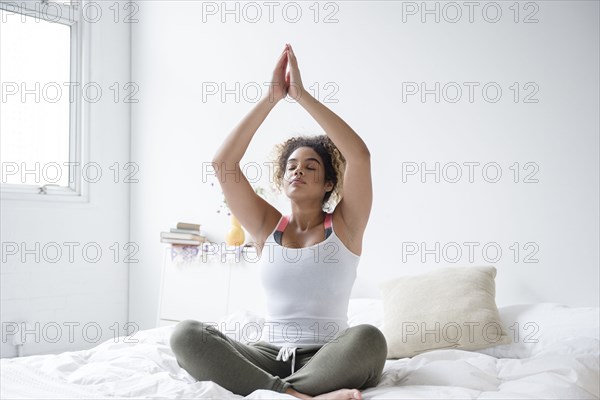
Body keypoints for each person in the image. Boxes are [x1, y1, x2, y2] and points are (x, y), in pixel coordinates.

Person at [170, 44, 387, 400]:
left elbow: (359, 156)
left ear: (330, 183)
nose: (298, 170)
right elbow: (223, 164)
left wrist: (300, 96)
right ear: (282, 178)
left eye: (311, 167)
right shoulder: (266, 226)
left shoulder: (346, 225)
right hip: (269, 355)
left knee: (369, 338)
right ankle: (296, 396)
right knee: (185, 334)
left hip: (329, 356)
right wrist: (271, 98)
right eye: (291, 166)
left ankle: (277, 395)